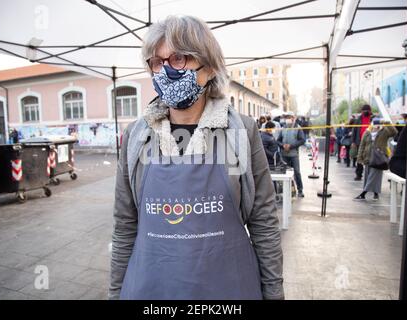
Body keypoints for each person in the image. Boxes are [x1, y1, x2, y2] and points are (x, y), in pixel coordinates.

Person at [109, 15, 283, 300]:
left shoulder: (241, 131)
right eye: (157, 62)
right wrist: (115, 294)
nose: (166, 70)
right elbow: (124, 226)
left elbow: (263, 221)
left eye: (178, 59)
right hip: (152, 289)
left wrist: (274, 293)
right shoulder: (136, 137)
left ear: (210, 66)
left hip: (228, 290)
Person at [354, 119, 397, 201]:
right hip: (367, 157)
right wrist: (359, 157)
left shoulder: (384, 131)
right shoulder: (367, 133)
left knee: (373, 176)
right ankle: (375, 193)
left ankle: (363, 193)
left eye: (378, 124)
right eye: (375, 124)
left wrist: (387, 123)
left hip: (378, 158)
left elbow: (394, 132)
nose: (376, 126)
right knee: (369, 176)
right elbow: (362, 146)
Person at [277, 112, 305, 197]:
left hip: (294, 154)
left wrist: (291, 146)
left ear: (293, 118)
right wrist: (283, 145)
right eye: (287, 117)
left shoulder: (298, 128)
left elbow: (302, 140)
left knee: (296, 172)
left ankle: (300, 190)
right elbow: (278, 140)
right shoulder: (283, 128)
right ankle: (287, 191)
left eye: (289, 117)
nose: (288, 119)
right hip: (284, 155)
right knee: (285, 173)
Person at [352, 105, 374, 180]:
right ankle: (358, 174)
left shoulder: (373, 119)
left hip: (371, 142)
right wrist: (353, 142)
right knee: (359, 158)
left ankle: (370, 175)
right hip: (360, 141)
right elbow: (354, 130)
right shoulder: (358, 119)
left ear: (370, 111)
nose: (365, 112)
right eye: (364, 110)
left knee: (370, 159)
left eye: (367, 110)